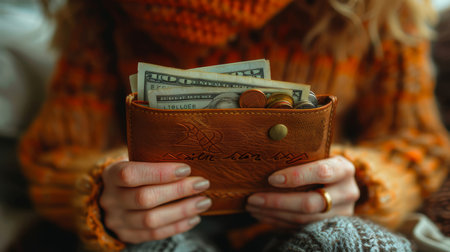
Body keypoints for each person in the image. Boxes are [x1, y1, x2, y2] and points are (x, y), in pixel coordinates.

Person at [19, 0, 449, 251]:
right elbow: (54, 156)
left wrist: (364, 184)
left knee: (348, 242)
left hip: (308, 229)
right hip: (161, 234)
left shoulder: (377, 9)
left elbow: (419, 144)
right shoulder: (101, 13)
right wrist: (100, 195)